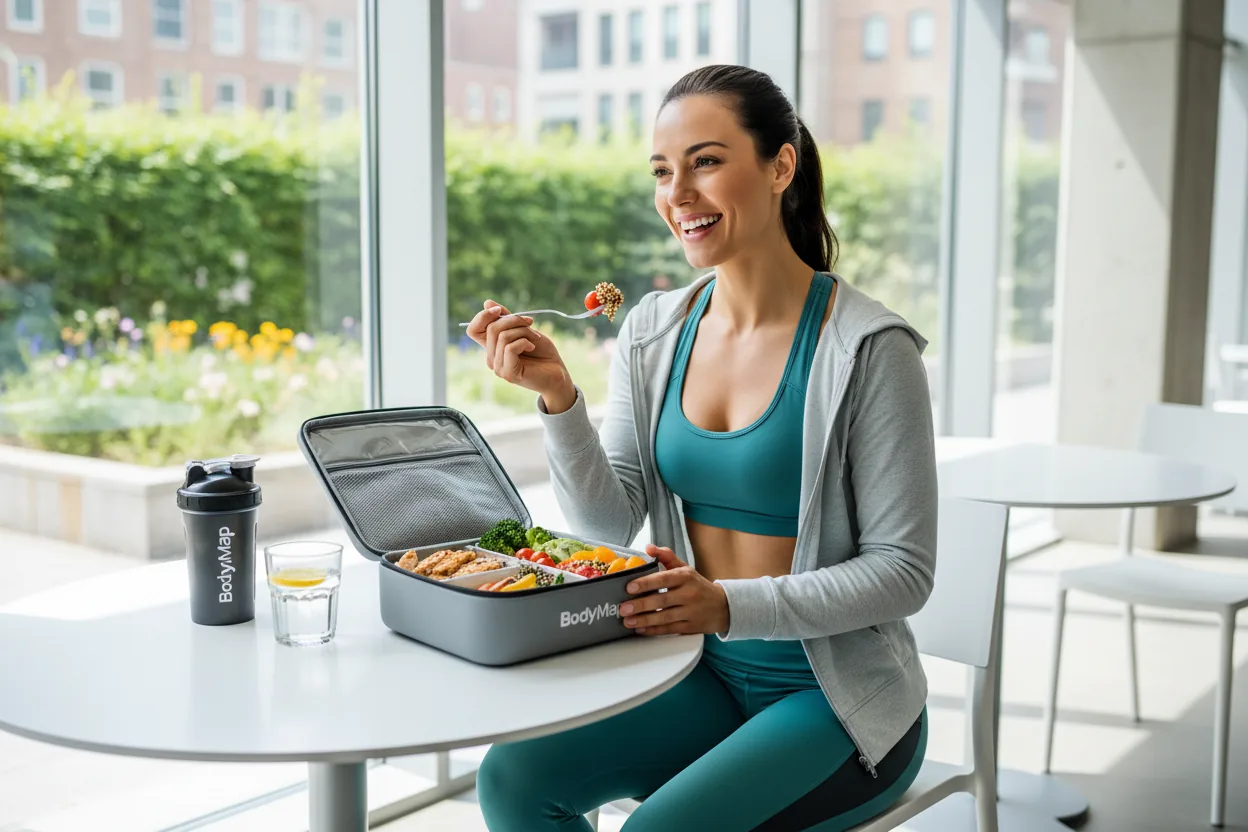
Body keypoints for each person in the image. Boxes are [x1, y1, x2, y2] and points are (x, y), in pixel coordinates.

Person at [465, 64, 937, 832]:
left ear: (780, 165)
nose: (677, 194)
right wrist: (559, 399)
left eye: (706, 162)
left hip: (836, 702)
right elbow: (606, 526)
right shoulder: (652, 330)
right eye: (662, 171)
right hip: (697, 672)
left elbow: (904, 573)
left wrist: (722, 603)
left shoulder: (870, 350)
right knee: (513, 781)